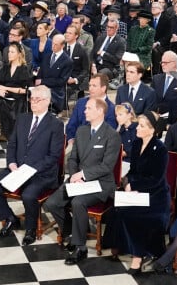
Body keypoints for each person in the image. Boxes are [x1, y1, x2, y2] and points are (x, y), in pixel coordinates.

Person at [0, 85, 65, 246]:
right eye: (31, 98)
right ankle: (10, 219)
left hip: (41, 173)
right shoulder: (23, 119)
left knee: (28, 195)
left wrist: (31, 169)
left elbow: (53, 156)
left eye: (37, 99)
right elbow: (12, 144)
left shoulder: (55, 124)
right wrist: (12, 163)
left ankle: (31, 229)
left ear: (47, 101)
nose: (33, 102)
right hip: (17, 168)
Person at [44, 98, 121, 266]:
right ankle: (74, 230)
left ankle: (80, 247)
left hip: (100, 184)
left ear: (100, 111)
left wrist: (83, 175)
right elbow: (73, 159)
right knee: (52, 203)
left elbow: (107, 167)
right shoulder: (81, 131)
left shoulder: (112, 135)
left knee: (78, 202)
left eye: (88, 108)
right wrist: (74, 176)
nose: (84, 111)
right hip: (78, 179)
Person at [102, 112, 170, 275]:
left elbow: (156, 180)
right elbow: (132, 170)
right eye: (138, 124)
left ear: (152, 130)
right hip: (135, 191)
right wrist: (127, 183)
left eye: (141, 126)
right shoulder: (137, 144)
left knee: (135, 215)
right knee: (116, 209)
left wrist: (135, 185)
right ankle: (121, 245)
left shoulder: (160, 149)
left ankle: (137, 257)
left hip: (156, 195)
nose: (137, 128)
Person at [0, 42, 32, 138]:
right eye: (9, 51)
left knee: (3, 105)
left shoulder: (24, 69)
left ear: (19, 54)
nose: (9, 54)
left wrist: (5, 88)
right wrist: (0, 89)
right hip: (3, 96)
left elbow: (25, 90)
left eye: (12, 52)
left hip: (17, 99)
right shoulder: (5, 67)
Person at [65, 73, 117, 145]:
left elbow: (107, 134)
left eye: (94, 86)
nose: (90, 88)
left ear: (103, 88)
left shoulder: (111, 109)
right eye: (90, 85)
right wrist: (71, 139)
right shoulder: (81, 103)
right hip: (75, 144)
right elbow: (71, 125)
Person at [36, 34, 73, 113]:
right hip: (42, 89)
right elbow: (40, 73)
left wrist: (42, 82)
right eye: (52, 43)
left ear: (62, 45)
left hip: (55, 93)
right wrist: (39, 82)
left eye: (56, 44)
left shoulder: (67, 61)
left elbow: (61, 81)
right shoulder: (47, 56)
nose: (53, 46)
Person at [152, 51, 177, 124]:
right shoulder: (156, 79)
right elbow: (151, 100)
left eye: (165, 63)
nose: (162, 65)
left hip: (174, 122)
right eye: (162, 62)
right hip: (156, 121)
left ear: (174, 63)